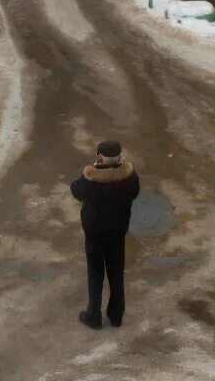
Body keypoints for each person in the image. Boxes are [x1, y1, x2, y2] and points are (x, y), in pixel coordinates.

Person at [69, 139, 141, 329]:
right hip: (117, 233)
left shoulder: (91, 179)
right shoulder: (129, 178)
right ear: (119, 156)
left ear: (99, 157)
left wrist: (90, 171)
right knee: (116, 273)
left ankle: (93, 315)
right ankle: (116, 315)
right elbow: (135, 192)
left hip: (94, 234)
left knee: (95, 274)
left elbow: (75, 190)